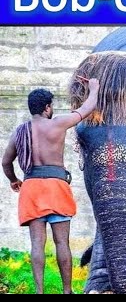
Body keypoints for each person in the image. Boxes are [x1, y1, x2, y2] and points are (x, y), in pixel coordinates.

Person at [2, 78, 99, 294]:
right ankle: (67, 291)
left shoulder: (19, 131)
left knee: (37, 244)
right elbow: (87, 108)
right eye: (51, 106)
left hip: (31, 189)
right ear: (47, 107)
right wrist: (94, 88)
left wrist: (13, 180)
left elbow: (5, 162)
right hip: (56, 187)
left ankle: (39, 291)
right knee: (62, 243)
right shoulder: (58, 123)